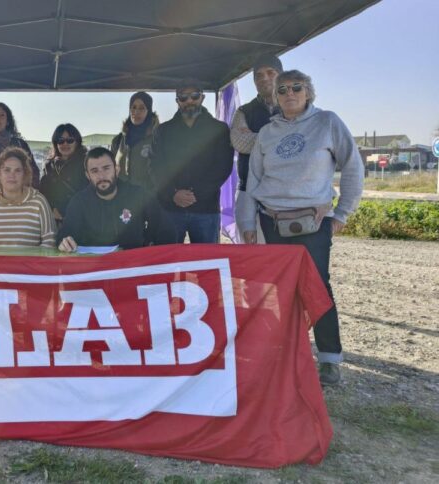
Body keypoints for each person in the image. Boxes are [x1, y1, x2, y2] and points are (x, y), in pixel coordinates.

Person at [235, 69, 364, 386]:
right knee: (277, 293)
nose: (289, 93)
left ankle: (330, 360)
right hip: (271, 220)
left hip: (313, 222)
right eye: (282, 90)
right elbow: (254, 180)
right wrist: (248, 223)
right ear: (275, 97)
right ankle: (283, 353)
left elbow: (353, 166)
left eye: (296, 87)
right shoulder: (266, 133)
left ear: (309, 92)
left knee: (317, 288)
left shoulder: (328, 123)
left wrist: (343, 213)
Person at [150, 78, 234, 243]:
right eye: (183, 97)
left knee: (207, 263)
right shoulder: (163, 131)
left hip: (206, 209)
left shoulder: (219, 129)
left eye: (194, 96)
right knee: (169, 262)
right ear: (177, 101)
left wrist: (197, 194)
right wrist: (173, 194)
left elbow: (223, 167)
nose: (189, 101)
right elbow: (155, 167)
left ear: (202, 98)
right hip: (170, 208)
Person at [58, 147, 175, 252]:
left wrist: (150, 243)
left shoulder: (138, 194)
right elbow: (65, 235)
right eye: (94, 171)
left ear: (117, 170)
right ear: (88, 175)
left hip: (132, 265)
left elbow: (166, 227)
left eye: (106, 168)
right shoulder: (79, 202)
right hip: (95, 268)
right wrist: (64, 243)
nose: (101, 176)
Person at [0, 147, 55, 248]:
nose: (12, 175)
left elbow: (50, 240)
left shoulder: (39, 202)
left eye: (18, 170)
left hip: (30, 264)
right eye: (7, 170)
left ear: (24, 175)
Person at [231, 54, 283, 192]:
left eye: (270, 73)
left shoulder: (296, 108)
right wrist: (283, 138)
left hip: (285, 190)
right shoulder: (243, 111)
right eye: (258, 75)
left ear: (281, 76)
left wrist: (254, 138)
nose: (264, 78)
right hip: (248, 189)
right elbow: (240, 143)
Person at [39, 124, 89, 225]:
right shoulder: (49, 165)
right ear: (56, 143)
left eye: (70, 140)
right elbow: (43, 192)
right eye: (61, 141)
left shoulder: (87, 163)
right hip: (56, 220)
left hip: (82, 218)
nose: (65, 144)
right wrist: (52, 209)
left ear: (77, 141)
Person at [110, 91, 159, 192]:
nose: (136, 112)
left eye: (142, 108)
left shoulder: (157, 139)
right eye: (133, 107)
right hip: (122, 198)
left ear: (148, 111)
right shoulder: (118, 140)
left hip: (148, 198)